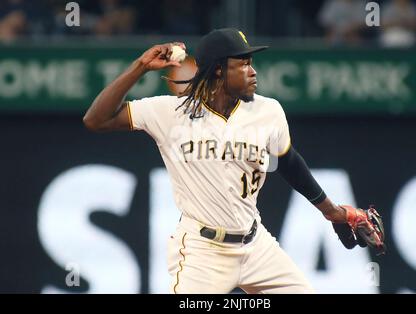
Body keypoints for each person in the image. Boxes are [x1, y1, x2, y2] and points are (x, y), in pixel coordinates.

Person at [83, 28, 384, 294]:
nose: (252, 71)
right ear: (217, 71)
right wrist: (140, 67)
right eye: (242, 64)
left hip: (256, 246)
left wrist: (331, 211)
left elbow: (289, 163)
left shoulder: (268, 110)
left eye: (251, 63)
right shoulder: (171, 112)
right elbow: (96, 119)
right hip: (203, 251)